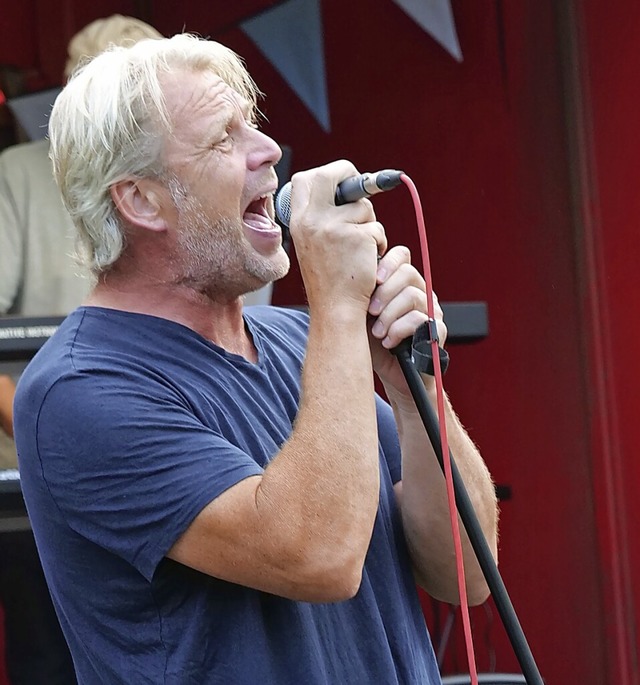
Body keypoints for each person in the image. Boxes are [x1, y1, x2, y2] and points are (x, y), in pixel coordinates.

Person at [13, 33, 499, 684]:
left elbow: (466, 572)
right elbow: (317, 558)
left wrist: (412, 390)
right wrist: (338, 304)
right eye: (223, 138)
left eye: (252, 124)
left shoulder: (301, 340)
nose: (268, 149)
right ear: (140, 201)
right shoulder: (79, 389)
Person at [0, 14, 161, 683]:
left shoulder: (188, 173)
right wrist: (41, 430)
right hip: (39, 477)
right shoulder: (18, 171)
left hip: (169, 462)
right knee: (51, 663)